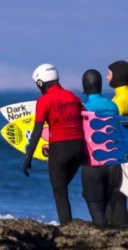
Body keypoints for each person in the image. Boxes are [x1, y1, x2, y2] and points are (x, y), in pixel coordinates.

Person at [22, 64, 86, 225]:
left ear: (40, 83)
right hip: (79, 149)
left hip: (60, 148)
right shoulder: (73, 97)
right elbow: (87, 120)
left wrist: (28, 158)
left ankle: (66, 228)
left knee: (59, 190)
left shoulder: (44, 100)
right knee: (62, 185)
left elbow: (37, 132)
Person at [79, 69, 122, 227]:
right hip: (114, 163)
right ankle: (113, 241)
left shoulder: (84, 108)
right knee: (108, 206)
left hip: (93, 163)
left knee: (96, 208)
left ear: (84, 87)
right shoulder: (113, 106)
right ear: (101, 86)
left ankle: (105, 245)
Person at [106, 60, 128, 226]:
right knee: (117, 193)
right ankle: (119, 228)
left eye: (109, 74)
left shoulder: (122, 99)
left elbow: (111, 125)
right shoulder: (123, 95)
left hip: (119, 151)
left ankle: (120, 229)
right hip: (123, 149)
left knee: (115, 193)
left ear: (117, 76)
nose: (106, 77)